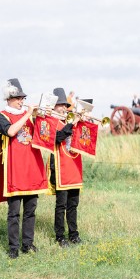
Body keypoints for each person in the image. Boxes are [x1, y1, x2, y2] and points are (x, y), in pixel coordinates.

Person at [0, 78, 47, 259]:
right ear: (9, 99)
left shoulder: (28, 115)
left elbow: (43, 135)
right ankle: (13, 247)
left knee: (31, 211)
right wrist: (27, 115)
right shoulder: (1, 116)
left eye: (22, 98)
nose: (21, 101)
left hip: (32, 169)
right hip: (15, 171)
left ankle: (28, 244)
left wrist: (40, 117)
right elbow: (11, 131)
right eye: (18, 98)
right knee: (14, 212)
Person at [48, 88, 83, 247]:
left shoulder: (69, 119)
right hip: (60, 167)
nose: (63, 107)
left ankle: (74, 234)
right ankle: (60, 236)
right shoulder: (50, 121)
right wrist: (71, 123)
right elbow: (57, 138)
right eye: (60, 105)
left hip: (74, 167)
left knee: (73, 204)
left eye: (64, 105)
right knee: (61, 205)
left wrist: (82, 120)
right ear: (53, 106)